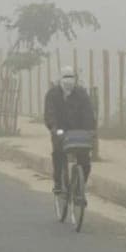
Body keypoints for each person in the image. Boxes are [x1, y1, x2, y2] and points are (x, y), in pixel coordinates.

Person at [44, 66, 96, 194]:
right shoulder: (52, 94)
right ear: (60, 79)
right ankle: (57, 182)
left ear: (75, 79)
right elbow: (50, 113)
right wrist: (54, 128)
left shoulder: (81, 93)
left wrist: (90, 129)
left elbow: (88, 112)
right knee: (58, 153)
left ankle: (80, 187)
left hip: (78, 131)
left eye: (71, 77)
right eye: (66, 77)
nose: (68, 81)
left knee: (85, 160)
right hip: (60, 130)